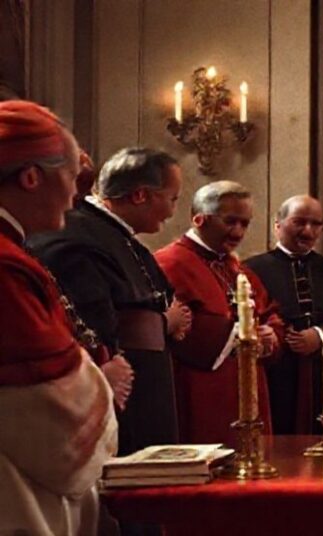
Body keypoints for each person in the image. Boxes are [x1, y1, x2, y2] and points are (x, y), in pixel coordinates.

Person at [0, 100, 117, 535]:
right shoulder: (6, 265)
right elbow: (47, 402)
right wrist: (98, 377)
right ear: (31, 177)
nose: (75, 195)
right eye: (71, 176)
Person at [29, 147, 192, 457]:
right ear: (141, 195)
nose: (172, 212)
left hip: (146, 384)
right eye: (172, 199)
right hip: (119, 389)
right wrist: (162, 323)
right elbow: (88, 321)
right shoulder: (74, 235)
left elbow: (161, 295)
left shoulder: (116, 234)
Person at [155, 180, 283, 445]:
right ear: (200, 219)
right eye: (230, 221)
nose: (238, 232)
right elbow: (173, 327)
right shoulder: (170, 262)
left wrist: (271, 334)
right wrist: (238, 335)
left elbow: (268, 311)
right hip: (201, 387)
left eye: (245, 223)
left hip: (247, 385)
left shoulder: (235, 266)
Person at [245, 195, 323, 434]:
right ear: (277, 225)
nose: (308, 231)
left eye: (316, 224)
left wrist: (320, 336)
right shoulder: (251, 270)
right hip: (275, 373)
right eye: (299, 222)